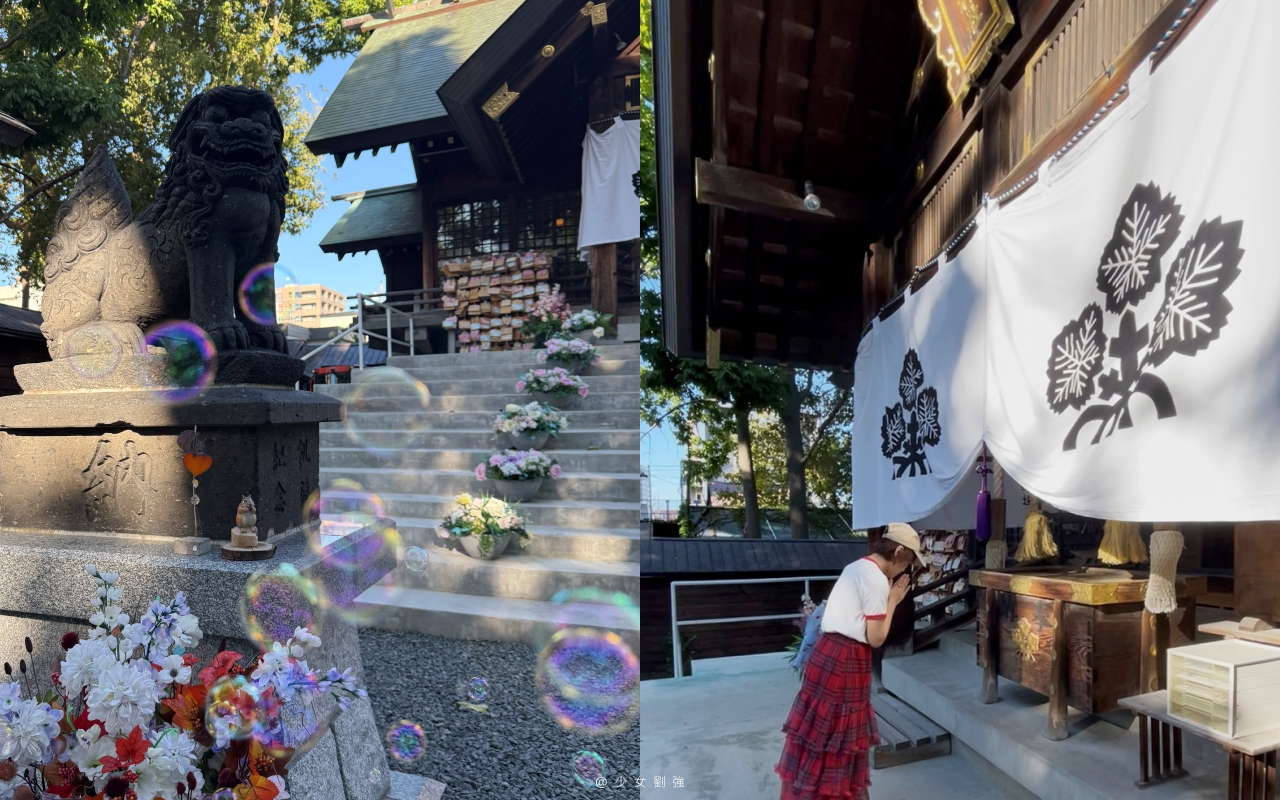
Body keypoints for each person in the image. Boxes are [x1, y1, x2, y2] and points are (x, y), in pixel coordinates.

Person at [775, 523, 927, 800]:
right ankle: (835, 794)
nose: (906, 570)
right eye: (908, 562)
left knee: (817, 733)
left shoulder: (856, 567)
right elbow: (876, 637)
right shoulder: (877, 580)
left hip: (826, 653)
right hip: (847, 659)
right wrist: (893, 600)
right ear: (899, 551)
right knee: (840, 737)